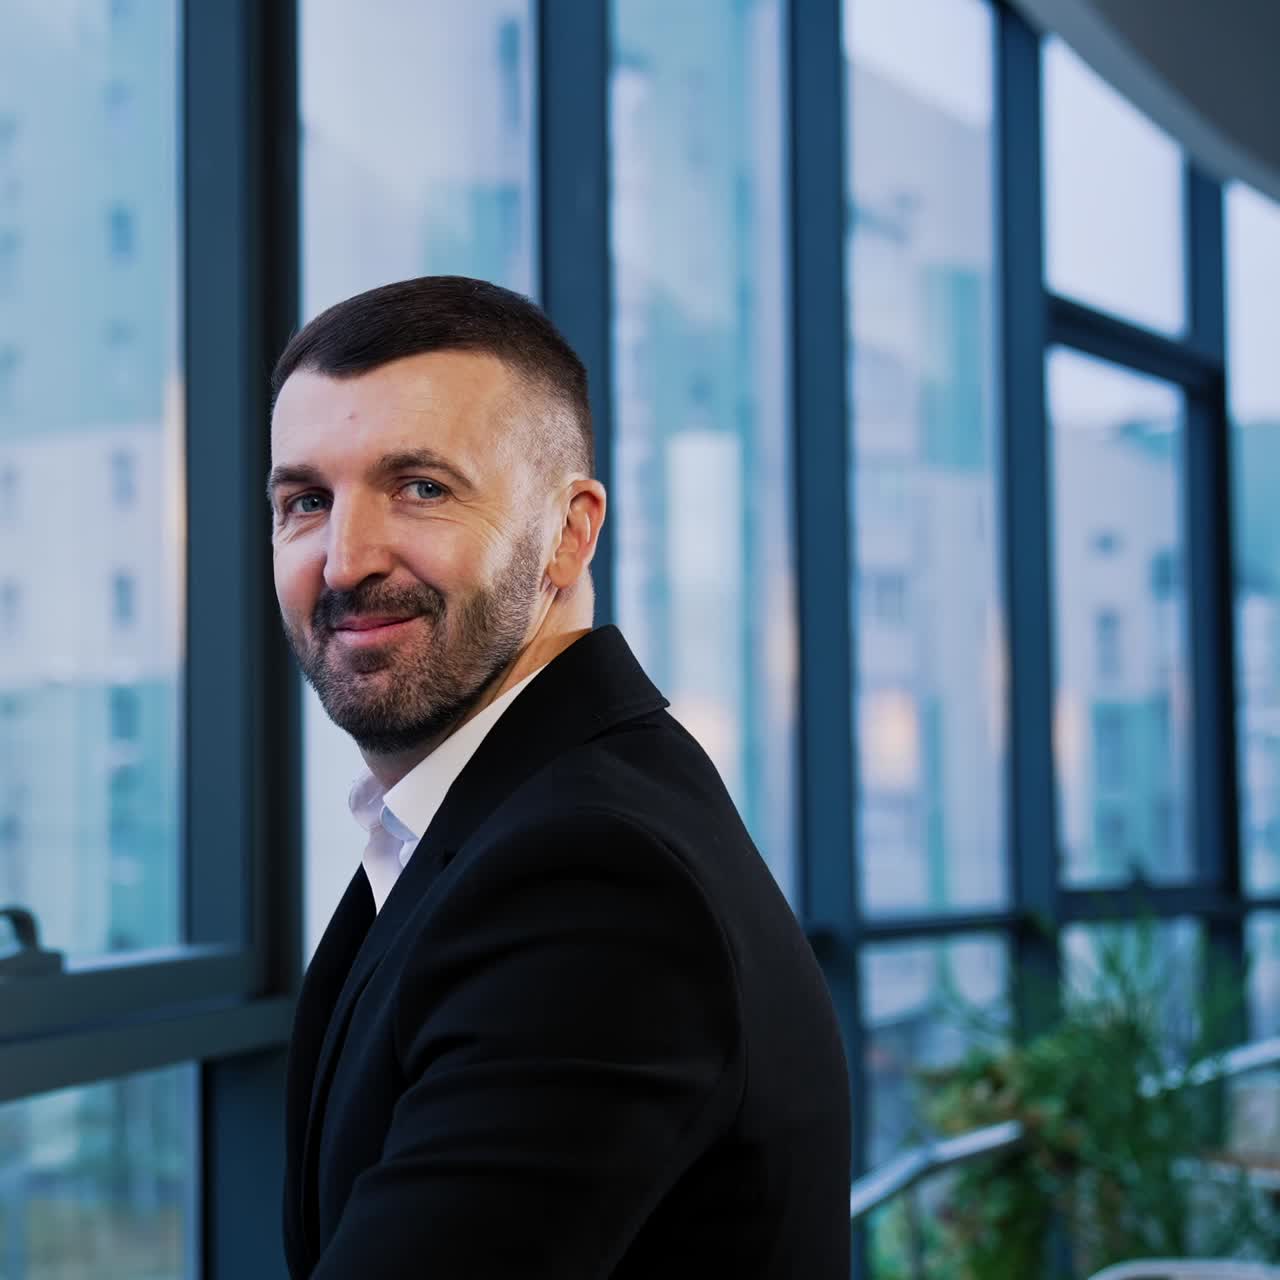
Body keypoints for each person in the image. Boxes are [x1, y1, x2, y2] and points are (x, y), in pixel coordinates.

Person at [270, 276, 851, 1277]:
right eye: (307, 501)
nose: (344, 558)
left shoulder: (590, 877)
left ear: (569, 531)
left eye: (421, 486)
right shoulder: (499, 818)